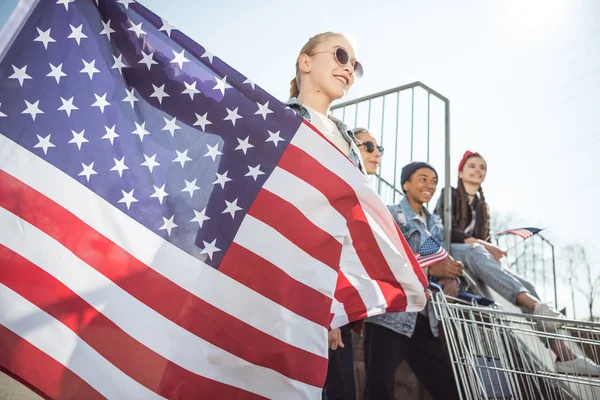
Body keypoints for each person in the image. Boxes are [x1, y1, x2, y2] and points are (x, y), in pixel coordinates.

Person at [435, 150, 600, 375]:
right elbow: (444, 230)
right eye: (472, 165)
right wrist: (483, 245)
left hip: (477, 255)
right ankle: (535, 307)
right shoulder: (450, 194)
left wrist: (489, 249)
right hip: (453, 251)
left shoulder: (483, 206)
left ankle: (564, 355)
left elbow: (486, 240)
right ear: (461, 171)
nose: (478, 170)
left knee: (526, 285)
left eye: (482, 167)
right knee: (476, 250)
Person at [286, 32, 364, 400]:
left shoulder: (349, 144)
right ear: (305, 62)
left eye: (354, 65)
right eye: (340, 55)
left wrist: (333, 305)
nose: (348, 68)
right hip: (276, 274)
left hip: (321, 285)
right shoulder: (274, 121)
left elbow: (349, 228)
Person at [363, 162, 461, 400]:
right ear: (406, 184)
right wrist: (430, 270)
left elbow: (441, 259)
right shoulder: (390, 215)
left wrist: (451, 279)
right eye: (423, 178)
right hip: (390, 314)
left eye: (434, 181)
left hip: (423, 317)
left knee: (450, 386)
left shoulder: (436, 225)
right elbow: (385, 259)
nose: (430, 185)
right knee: (379, 389)